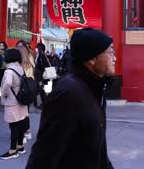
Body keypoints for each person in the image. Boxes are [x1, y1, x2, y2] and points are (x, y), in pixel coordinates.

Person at [26, 28, 115, 169]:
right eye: (110, 52)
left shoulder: (95, 89)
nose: (114, 58)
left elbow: (96, 149)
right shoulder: (68, 94)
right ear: (92, 58)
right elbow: (44, 155)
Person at [0, 49, 30, 160]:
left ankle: (12, 150)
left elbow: (7, 83)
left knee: (13, 125)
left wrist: (4, 93)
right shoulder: (20, 68)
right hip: (22, 99)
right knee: (21, 123)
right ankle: (20, 146)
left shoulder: (9, 71)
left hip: (12, 101)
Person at [17, 46, 34, 141]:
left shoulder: (24, 65)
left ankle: (22, 134)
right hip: (26, 92)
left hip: (22, 92)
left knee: (21, 114)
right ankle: (26, 132)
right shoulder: (27, 64)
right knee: (24, 113)